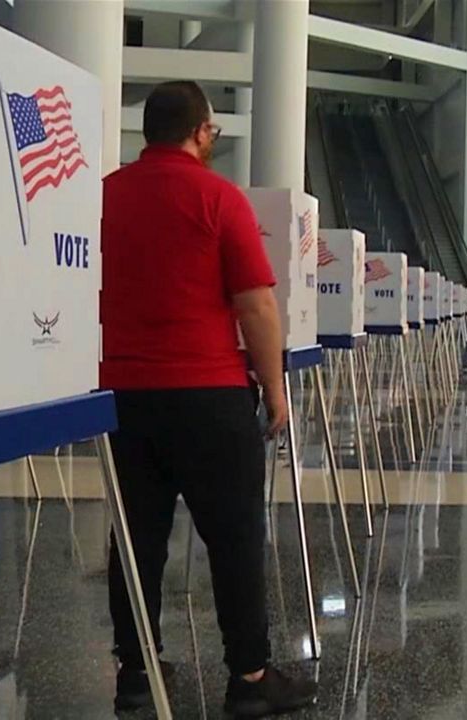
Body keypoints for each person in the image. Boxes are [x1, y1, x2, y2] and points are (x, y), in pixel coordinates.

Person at [100, 81, 317, 715]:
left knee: (135, 538)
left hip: (122, 395)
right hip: (210, 395)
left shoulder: (104, 195)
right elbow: (255, 304)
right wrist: (275, 389)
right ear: (201, 132)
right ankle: (248, 679)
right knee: (234, 537)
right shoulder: (219, 197)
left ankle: (137, 673)